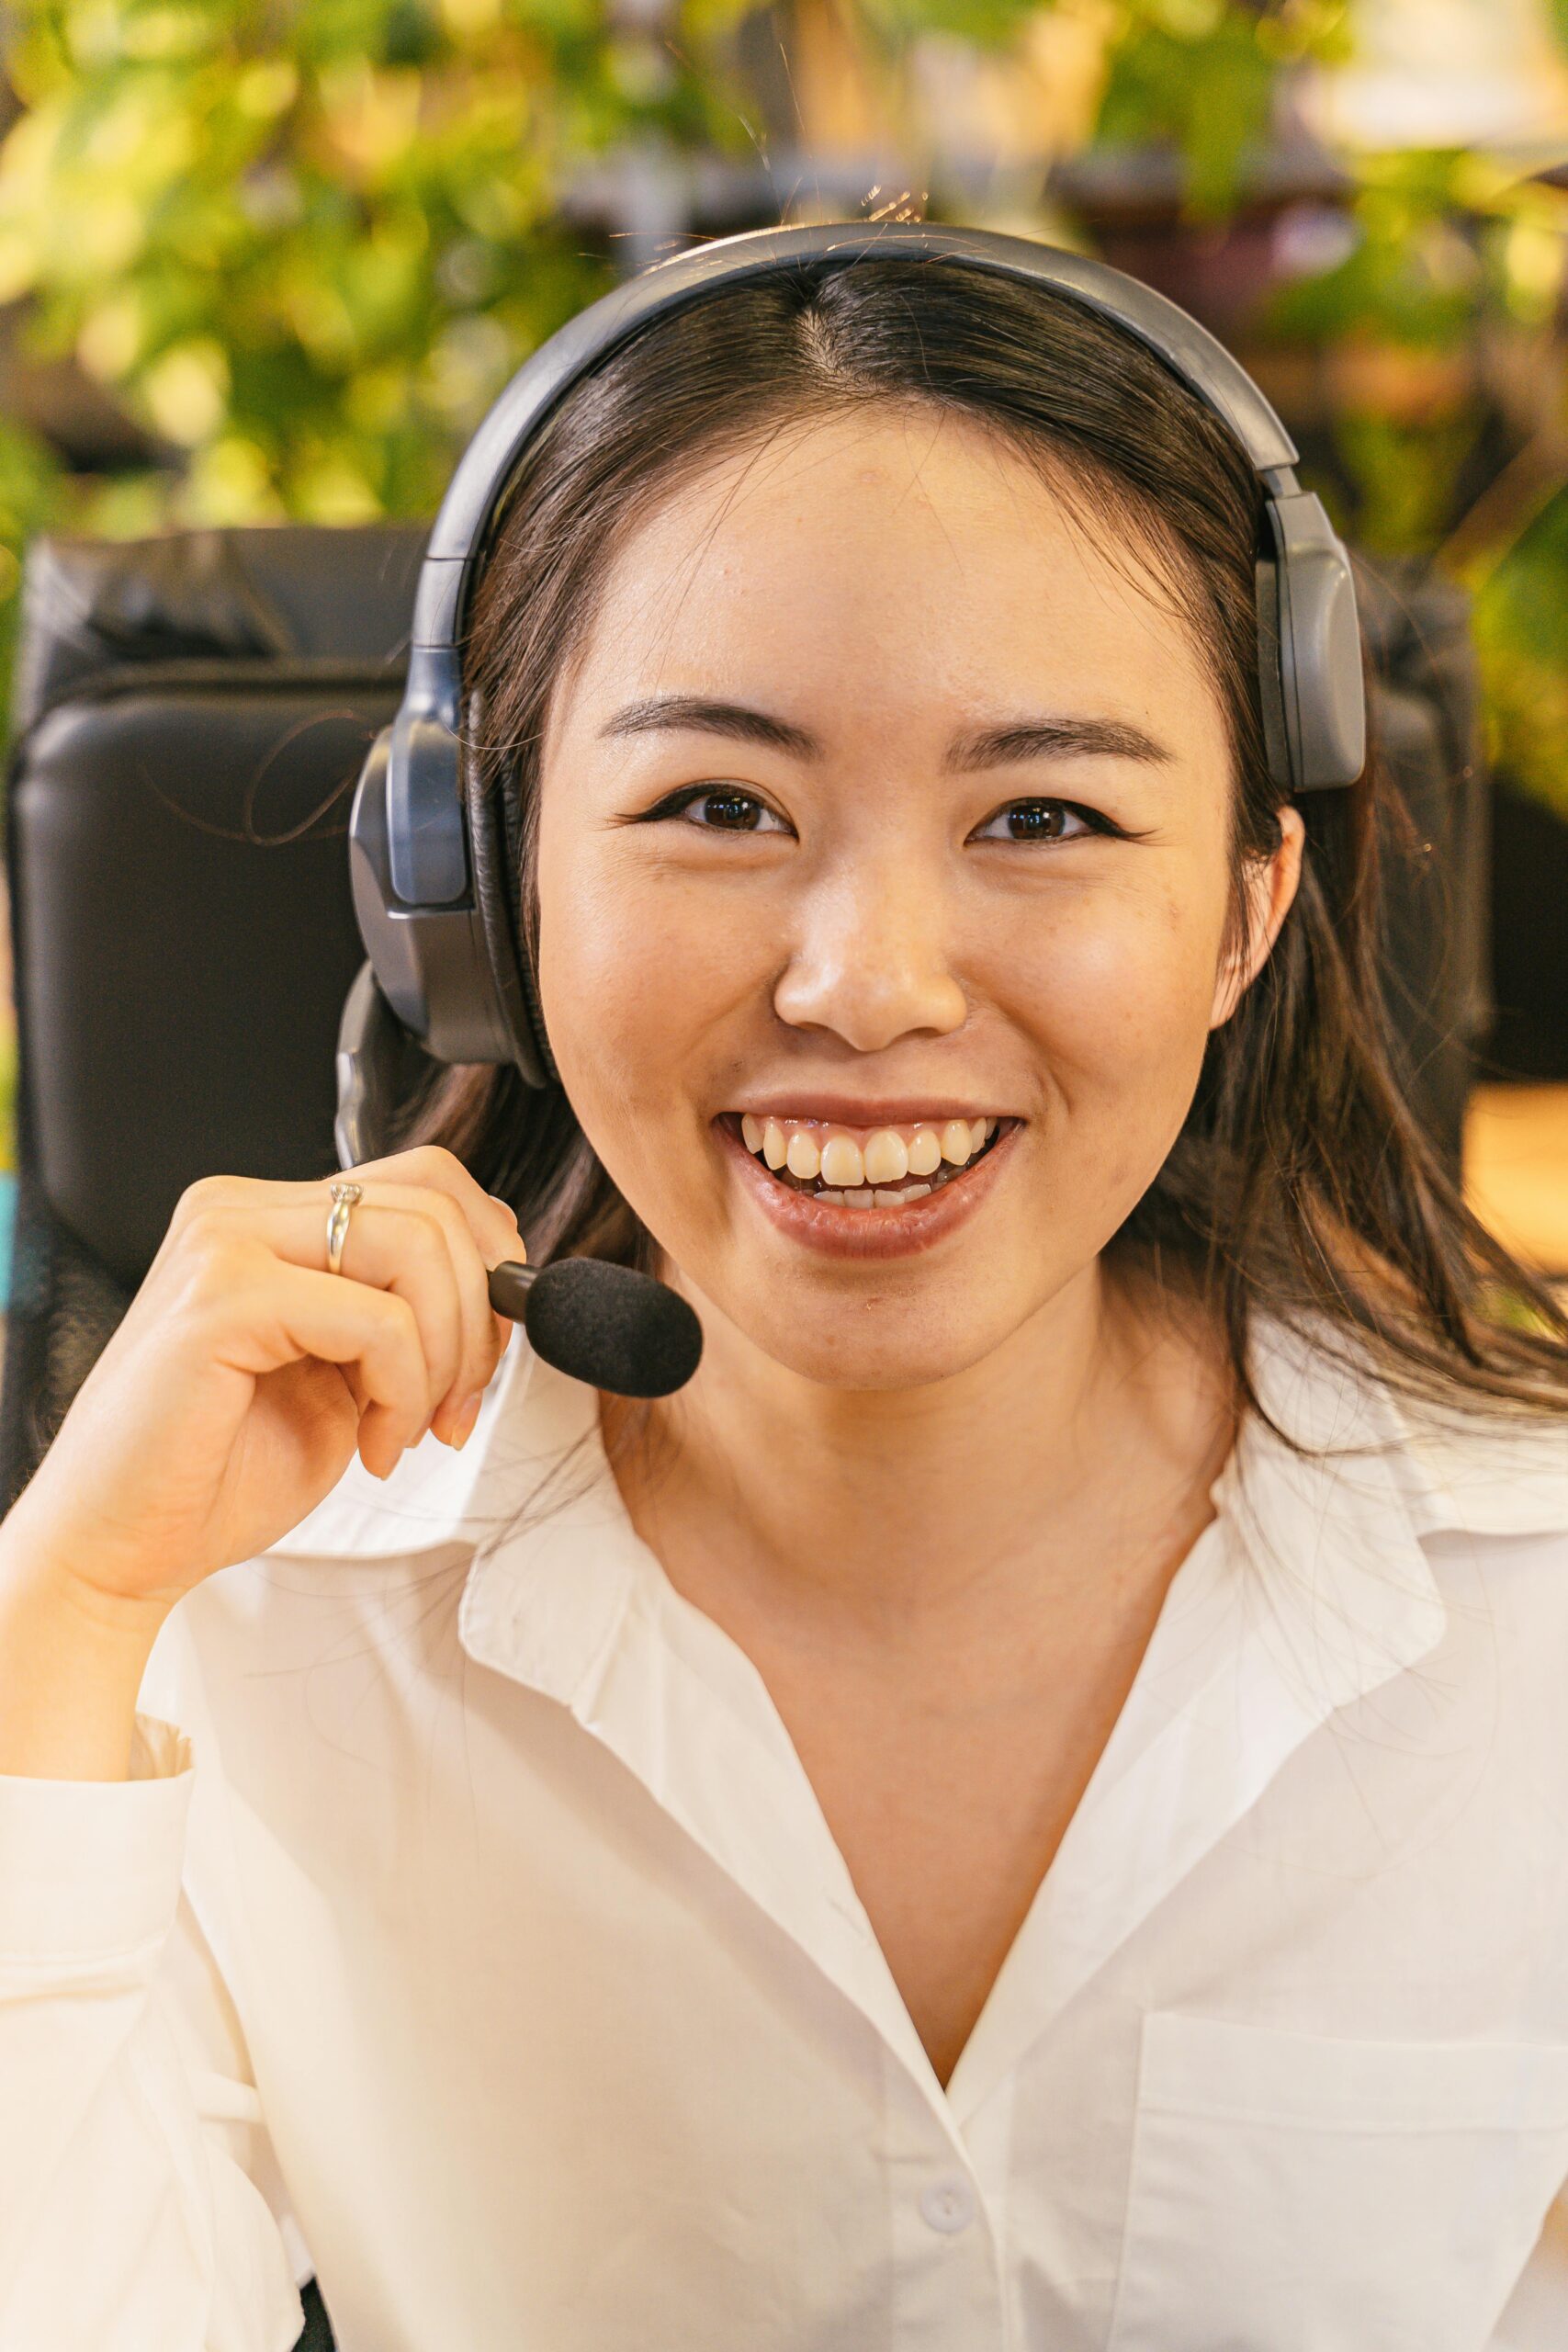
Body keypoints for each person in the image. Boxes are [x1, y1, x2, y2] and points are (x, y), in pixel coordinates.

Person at [1, 241, 1565, 2352]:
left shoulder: (1528, 1605)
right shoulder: (246, 1631)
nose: (867, 982)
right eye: (717, 804)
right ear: (477, 892)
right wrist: (60, 1621)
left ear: (1239, 913)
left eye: (1043, 812)